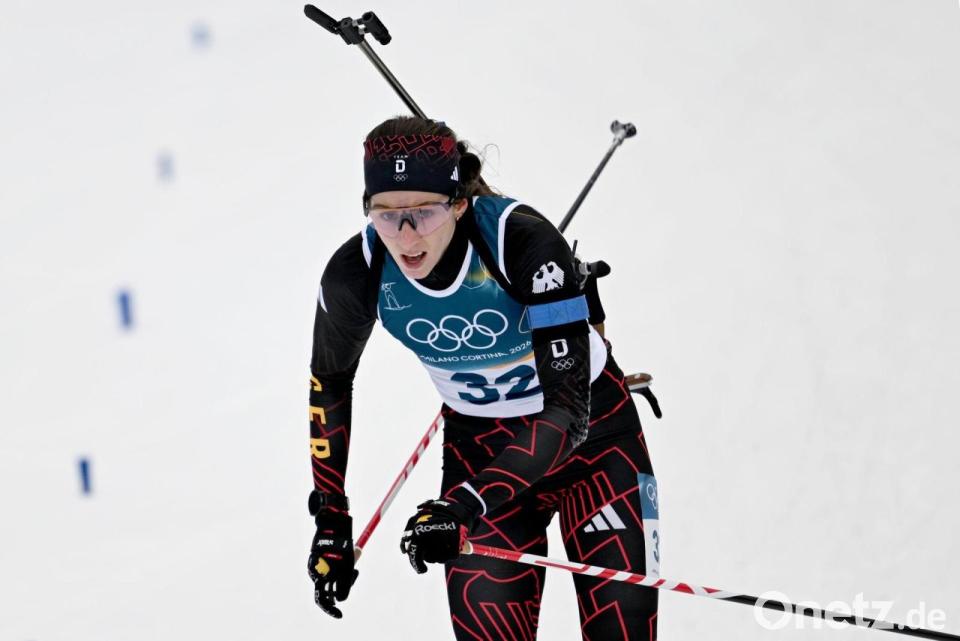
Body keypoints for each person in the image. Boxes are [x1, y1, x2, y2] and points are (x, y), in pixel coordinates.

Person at [307, 115, 660, 640]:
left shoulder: (522, 243)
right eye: (387, 215)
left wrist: (463, 505)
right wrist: (331, 519)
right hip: (481, 448)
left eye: (424, 213)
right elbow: (330, 383)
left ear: (458, 203)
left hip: (594, 444)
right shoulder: (357, 273)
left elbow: (568, 414)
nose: (406, 235)